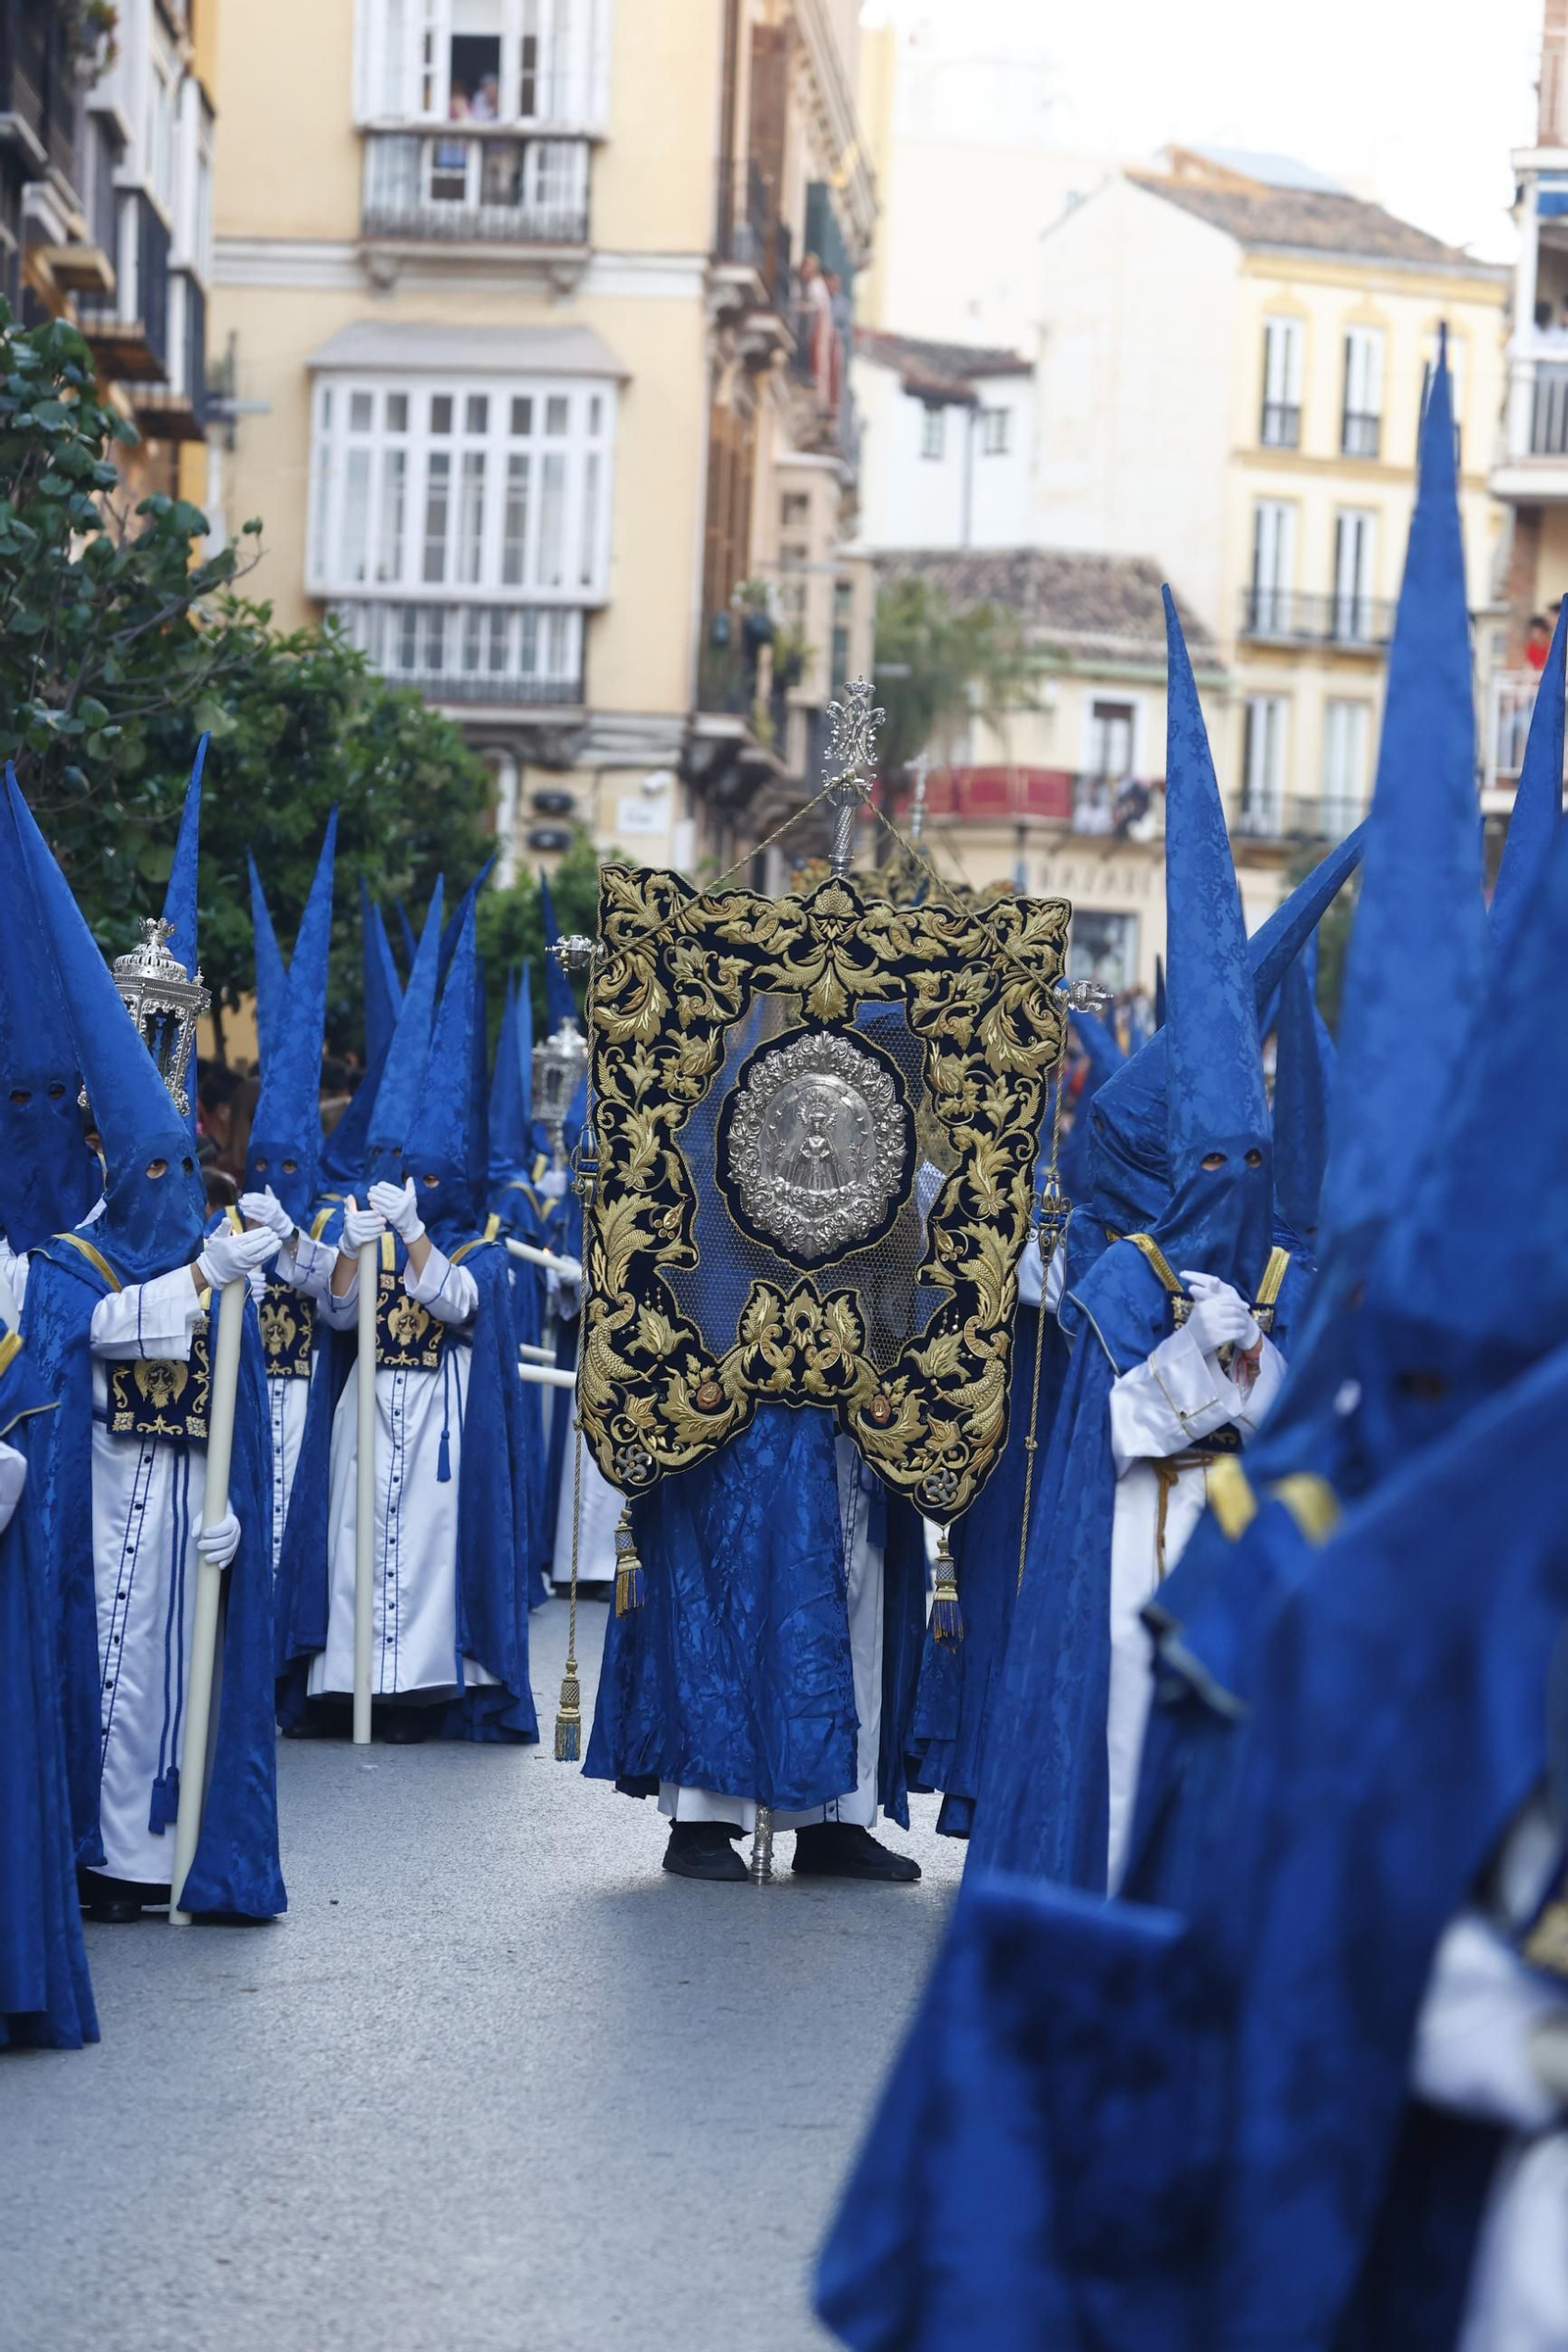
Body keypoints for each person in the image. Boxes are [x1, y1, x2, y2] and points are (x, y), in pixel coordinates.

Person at [8, 766, 285, 1924]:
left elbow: (246, 1399)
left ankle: (155, 1861)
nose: (167, 1188)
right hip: (96, 1513)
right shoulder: (70, 1261)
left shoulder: (215, 1251)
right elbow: (87, 1338)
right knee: (100, 1687)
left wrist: (241, 1517)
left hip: (183, 1515)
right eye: (150, 1170)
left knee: (173, 1693)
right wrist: (191, 1291)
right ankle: (89, 1856)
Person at [280, 893, 537, 1746]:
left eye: (426, 1177)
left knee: (426, 1552)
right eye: (402, 1173)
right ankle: (349, 1683)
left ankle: (419, 1692)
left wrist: (417, 1234)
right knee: (352, 1538)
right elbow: (344, 1312)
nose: (411, 1185)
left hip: (439, 1417)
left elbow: (457, 1302)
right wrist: (350, 1249)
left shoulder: (487, 1245)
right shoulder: (366, 1222)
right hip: (368, 1408)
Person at [236, 815, 341, 1581]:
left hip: (314, 1406)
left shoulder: (338, 1219)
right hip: (242, 1408)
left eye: (289, 1161)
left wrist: (297, 1246)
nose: (275, 1175)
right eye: (261, 1161)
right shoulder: (223, 1218)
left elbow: (343, 1302)